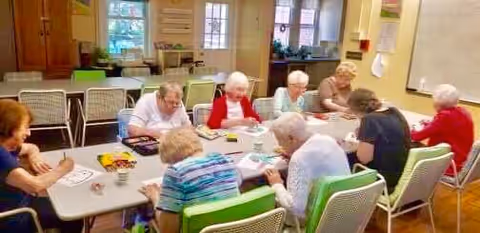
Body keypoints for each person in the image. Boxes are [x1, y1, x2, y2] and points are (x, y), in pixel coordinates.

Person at [0, 99, 83, 233]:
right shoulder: (1, 155)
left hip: (22, 202)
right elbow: (35, 185)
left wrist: (34, 157)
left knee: (69, 209)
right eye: (25, 127)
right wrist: (65, 167)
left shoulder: (7, 145)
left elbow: (31, 147)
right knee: (72, 217)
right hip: (15, 217)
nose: (29, 133)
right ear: (11, 128)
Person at [139, 127, 240, 232]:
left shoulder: (176, 172)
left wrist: (156, 198)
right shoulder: (225, 160)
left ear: (170, 158)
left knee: (143, 219)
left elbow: (168, 231)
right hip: (231, 229)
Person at [264, 112, 350, 224]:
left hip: (320, 218)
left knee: (268, 200)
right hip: (346, 208)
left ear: (291, 138)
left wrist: (276, 183)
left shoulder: (299, 158)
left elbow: (295, 207)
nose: (280, 144)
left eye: (280, 140)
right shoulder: (327, 139)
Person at [347, 88, 410, 193]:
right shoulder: (394, 112)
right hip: (403, 173)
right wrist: (364, 135)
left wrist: (361, 139)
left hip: (384, 179)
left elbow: (364, 159)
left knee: (347, 157)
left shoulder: (369, 119)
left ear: (357, 109)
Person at [411, 84, 474, 176]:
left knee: (410, 148)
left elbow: (416, 136)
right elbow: (443, 128)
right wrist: (429, 124)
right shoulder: (463, 111)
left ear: (437, 102)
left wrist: (413, 128)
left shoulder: (445, 116)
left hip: (449, 164)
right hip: (461, 160)